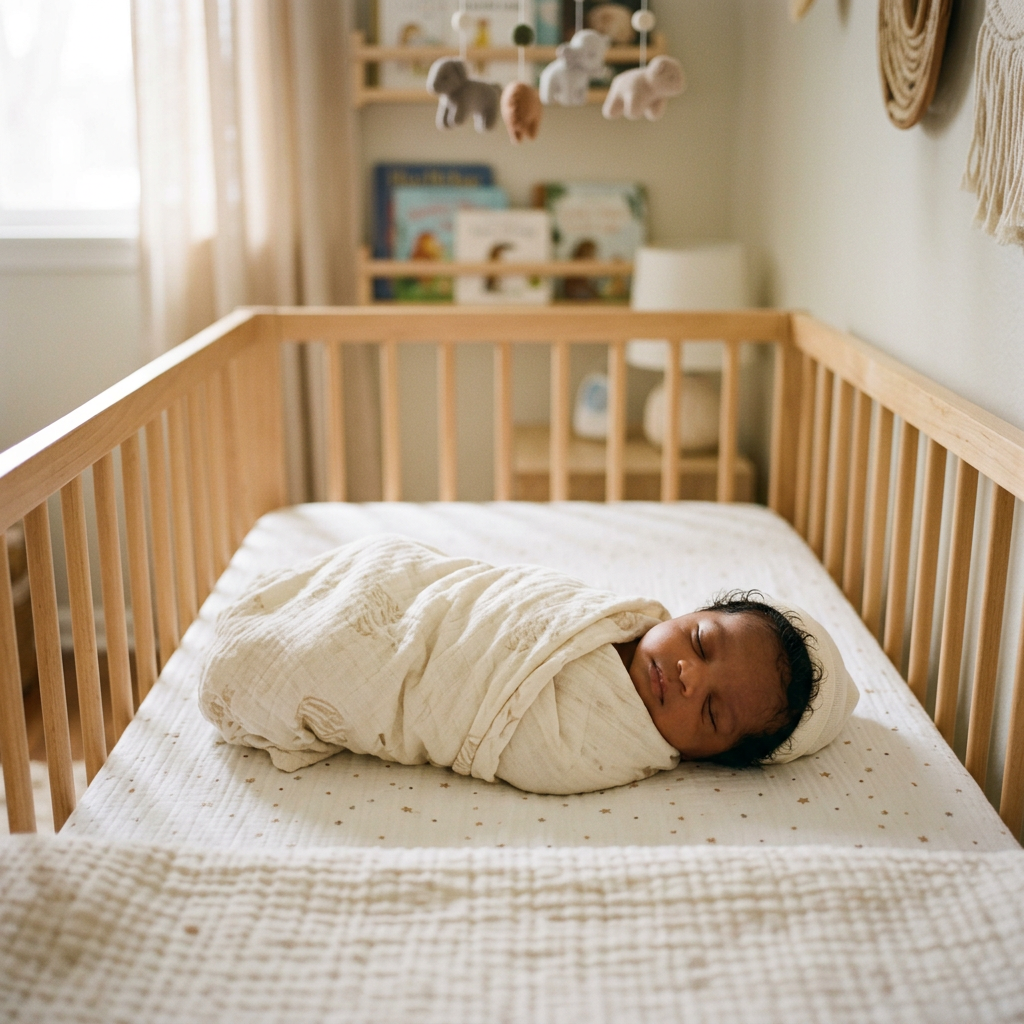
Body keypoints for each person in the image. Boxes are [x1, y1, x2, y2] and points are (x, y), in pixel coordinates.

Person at [199, 537, 859, 795]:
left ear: (708, 758)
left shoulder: (611, 744)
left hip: (435, 673)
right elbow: (486, 596)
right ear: (688, 613)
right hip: (425, 600)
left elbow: (542, 751)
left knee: (319, 659)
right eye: (703, 643)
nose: (690, 676)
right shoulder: (621, 617)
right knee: (388, 560)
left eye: (712, 712)